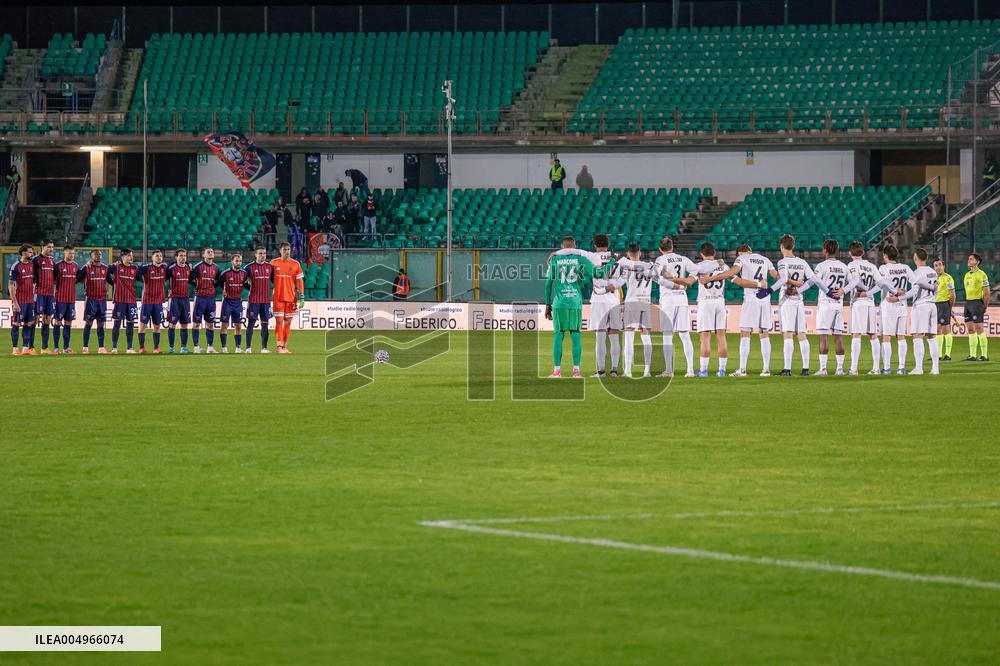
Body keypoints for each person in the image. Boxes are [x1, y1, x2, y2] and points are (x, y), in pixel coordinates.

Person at [554, 234, 621, 377]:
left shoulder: (591, 256)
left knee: (600, 336)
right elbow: (623, 279)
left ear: (595, 245)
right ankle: (614, 370)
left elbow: (572, 250)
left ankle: (601, 371)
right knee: (614, 336)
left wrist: (556, 253)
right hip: (614, 300)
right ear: (607, 244)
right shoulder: (617, 258)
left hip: (599, 299)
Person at [710, 244, 780, 377]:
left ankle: (742, 370)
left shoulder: (742, 259)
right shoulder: (765, 259)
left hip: (751, 298)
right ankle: (766, 370)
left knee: (745, 333)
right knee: (764, 333)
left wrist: (712, 278)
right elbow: (778, 277)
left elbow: (731, 272)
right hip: (765, 298)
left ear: (741, 252)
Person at [544, 236, 592, 378]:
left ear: (562, 246)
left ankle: (557, 371)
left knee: (558, 335)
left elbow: (548, 284)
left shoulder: (555, 259)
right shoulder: (580, 259)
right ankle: (576, 371)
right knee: (576, 335)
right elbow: (583, 283)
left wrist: (548, 304)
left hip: (559, 303)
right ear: (574, 245)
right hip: (575, 303)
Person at [844, 241, 892, 375]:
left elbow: (856, 280)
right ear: (863, 252)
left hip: (858, 302)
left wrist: (863, 290)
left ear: (850, 253)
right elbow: (882, 283)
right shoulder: (871, 266)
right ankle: (876, 368)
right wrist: (869, 293)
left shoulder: (852, 265)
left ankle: (854, 369)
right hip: (870, 302)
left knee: (856, 334)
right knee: (873, 335)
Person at [653, 237, 698, 377]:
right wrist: (688, 280)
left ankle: (669, 370)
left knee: (667, 335)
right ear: (672, 246)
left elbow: (654, 275)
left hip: (668, 299)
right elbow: (696, 271)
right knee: (685, 335)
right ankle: (690, 370)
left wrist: (668, 281)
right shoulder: (682, 258)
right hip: (682, 298)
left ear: (660, 249)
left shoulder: (661, 260)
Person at [771, 234, 814, 376]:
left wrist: (793, 284)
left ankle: (787, 369)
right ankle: (806, 369)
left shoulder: (782, 262)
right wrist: (799, 289)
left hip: (787, 299)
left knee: (788, 334)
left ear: (782, 246)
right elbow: (812, 280)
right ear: (793, 246)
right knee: (801, 334)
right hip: (798, 299)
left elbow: (783, 279)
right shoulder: (802, 262)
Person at [614, 244, 659, 377]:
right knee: (646, 337)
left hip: (631, 303)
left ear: (628, 253)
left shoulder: (626, 266)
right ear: (639, 253)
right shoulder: (650, 266)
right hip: (645, 302)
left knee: (629, 338)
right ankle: (647, 371)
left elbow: (619, 282)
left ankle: (628, 371)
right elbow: (659, 278)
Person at [692, 242, 730, 377]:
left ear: (701, 254)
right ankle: (722, 370)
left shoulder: (698, 266)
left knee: (705, 337)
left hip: (706, 301)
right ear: (714, 253)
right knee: (721, 336)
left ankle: (703, 370)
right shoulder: (723, 266)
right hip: (720, 301)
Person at [901, 248, 941, 375]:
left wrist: (900, 297)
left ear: (915, 258)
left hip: (921, 305)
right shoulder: (933, 272)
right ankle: (935, 368)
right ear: (927, 258)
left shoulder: (916, 273)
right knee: (932, 337)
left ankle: (919, 368)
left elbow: (914, 291)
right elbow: (936, 289)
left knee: (917, 336)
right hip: (932, 304)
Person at [877, 245, 915, 375]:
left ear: (886, 256)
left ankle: (887, 368)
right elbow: (916, 285)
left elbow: (880, 283)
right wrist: (901, 297)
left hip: (888, 305)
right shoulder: (906, 268)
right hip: (902, 306)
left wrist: (894, 293)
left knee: (886, 337)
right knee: (901, 337)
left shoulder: (883, 268)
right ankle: (901, 368)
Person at [270, 241, 304, 354]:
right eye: (284, 249)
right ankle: (279, 346)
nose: (287, 252)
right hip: (278, 297)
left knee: (288, 323)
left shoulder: (296, 264)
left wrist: (302, 297)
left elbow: (300, 282)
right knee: (279, 322)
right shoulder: (273, 263)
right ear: (280, 251)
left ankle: (284, 346)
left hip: (291, 298)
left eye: (288, 249)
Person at [106, 248, 140, 354]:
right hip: (119, 300)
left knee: (130, 323)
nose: (131, 257)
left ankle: (129, 348)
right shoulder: (116, 267)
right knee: (117, 323)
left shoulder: (135, 269)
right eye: (129, 255)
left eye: (132, 255)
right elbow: (104, 269)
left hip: (131, 300)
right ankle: (114, 347)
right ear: (123, 257)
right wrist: (113, 282)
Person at [216, 252, 249, 354]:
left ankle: (238, 348)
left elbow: (247, 285)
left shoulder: (244, 274)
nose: (238, 263)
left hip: (238, 302)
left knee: (238, 326)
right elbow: (218, 283)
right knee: (224, 325)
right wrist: (223, 290)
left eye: (240, 261)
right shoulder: (225, 273)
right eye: (236, 261)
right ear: (232, 262)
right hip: (227, 302)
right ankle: (224, 347)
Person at [78, 249, 109, 354]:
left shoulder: (105, 268)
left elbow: (111, 280)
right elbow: (77, 278)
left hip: (102, 300)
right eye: (95, 254)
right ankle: (85, 347)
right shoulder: (86, 268)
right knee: (89, 323)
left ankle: (101, 347)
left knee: (101, 323)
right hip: (90, 299)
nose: (98, 256)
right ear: (91, 257)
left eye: (99, 254)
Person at [137, 249, 168, 354]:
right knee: (143, 325)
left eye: (160, 255)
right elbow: (134, 270)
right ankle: (141, 347)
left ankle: (156, 348)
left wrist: (187, 264)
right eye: (157, 256)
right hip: (147, 301)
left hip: (158, 302)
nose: (159, 257)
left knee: (157, 325)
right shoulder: (146, 268)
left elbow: (176, 266)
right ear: (152, 258)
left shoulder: (165, 268)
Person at [190, 247, 220, 353]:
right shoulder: (198, 267)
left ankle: (210, 347)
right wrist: (197, 285)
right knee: (196, 323)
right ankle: (196, 347)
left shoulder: (216, 268)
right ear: (204, 255)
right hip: (200, 298)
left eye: (212, 252)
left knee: (210, 323)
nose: (211, 253)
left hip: (211, 299)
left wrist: (214, 286)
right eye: (208, 252)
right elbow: (190, 279)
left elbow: (219, 281)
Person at [244, 246, 275, 353]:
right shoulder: (249, 267)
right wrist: (250, 287)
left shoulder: (270, 267)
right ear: (256, 255)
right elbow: (241, 279)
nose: (262, 255)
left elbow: (275, 281)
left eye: (264, 253)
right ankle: (248, 348)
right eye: (260, 253)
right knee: (251, 324)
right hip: (254, 300)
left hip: (266, 301)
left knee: (265, 324)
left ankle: (264, 348)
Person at [8, 244, 36, 355]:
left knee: (28, 324)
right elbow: (10, 285)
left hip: (30, 301)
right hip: (20, 301)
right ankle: (15, 348)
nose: (32, 254)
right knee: (16, 324)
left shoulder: (32, 265)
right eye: (30, 252)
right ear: (23, 253)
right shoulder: (16, 266)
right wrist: (15, 302)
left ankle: (25, 348)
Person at [963, 252, 990, 361]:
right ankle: (973, 355)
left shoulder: (982, 274)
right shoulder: (967, 275)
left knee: (979, 329)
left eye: (971, 259)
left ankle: (984, 355)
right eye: (968, 259)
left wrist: (985, 306)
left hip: (977, 303)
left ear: (977, 262)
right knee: (970, 329)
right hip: (968, 303)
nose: (969, 261)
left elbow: (987, 293)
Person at [31, 239, 57, 353]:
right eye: (49, 247)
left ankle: (44, 347)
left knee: (47, 320)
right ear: (42, 247)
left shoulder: (52, 260)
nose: (51, 249)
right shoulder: (35, 260)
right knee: (34, 319)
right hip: (39, 294)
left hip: (50, 295)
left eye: (52, 247)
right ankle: (30, 347)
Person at [165, 248, 193, 354]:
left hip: (185, 299)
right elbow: (163, 279)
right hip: (174, 299)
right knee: (172, 324)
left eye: (184, 255)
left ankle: (183, 348)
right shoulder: (171, 269)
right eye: (181, 255)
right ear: (176, 257)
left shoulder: (188, 268)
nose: (183, 257)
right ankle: (171, 348)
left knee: (184, 324)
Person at [52, 244, 79, 353]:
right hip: (60, 299)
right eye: (69, 253)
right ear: (65, 253)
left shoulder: (75, 266)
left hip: (71, 300)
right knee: (58, 322)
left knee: (68, 323)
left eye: (73, 253)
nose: (71, 255)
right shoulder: (58, 266)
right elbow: (53, 282)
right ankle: (56, 347)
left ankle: (66, 347)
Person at [933, 258, 956, 361]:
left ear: (943, 266)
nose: (938, 267)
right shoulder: (933, 279)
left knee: (945, 329)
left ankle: (948, 354)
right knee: (937, 330)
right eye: (936, 266)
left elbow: (952, 295)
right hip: (934, 305)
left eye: (939, 265)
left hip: (944, 304)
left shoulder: (948, 278)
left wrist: (949, 307)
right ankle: (938, 354)